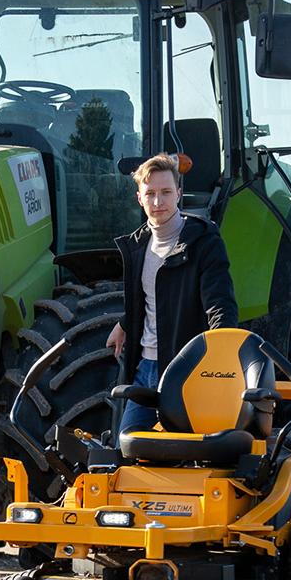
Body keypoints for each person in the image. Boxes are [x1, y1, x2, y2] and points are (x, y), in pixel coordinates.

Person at [106, 153, 238, 433]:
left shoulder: (203, 240)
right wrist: (125, 322)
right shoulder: (137, 246)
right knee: (127, 450)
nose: (158, 202)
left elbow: (219, 304)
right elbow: (153, 297)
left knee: (185, 458)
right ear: (139, 198)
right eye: (150, 193)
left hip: (187, 369)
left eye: (165, 192)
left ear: (178, 193)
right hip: (145, 369)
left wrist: (220, 358)